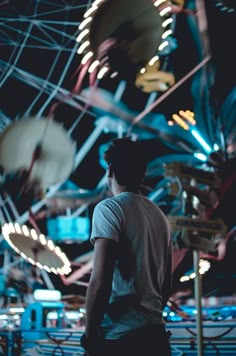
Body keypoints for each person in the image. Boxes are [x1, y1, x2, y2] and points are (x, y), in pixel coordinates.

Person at [80, 137, 173, 356]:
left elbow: (99, 283)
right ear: (142, 174)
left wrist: (90, 336)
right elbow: (166, 286)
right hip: (156, 337)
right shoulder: (160, 217)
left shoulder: (109, 209)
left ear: (109, 170)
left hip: (120, 340)